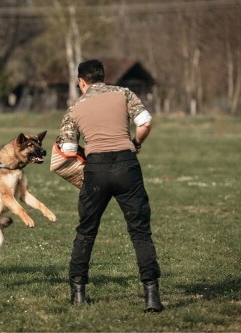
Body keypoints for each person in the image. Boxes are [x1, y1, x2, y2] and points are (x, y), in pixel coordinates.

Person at [58, 59, 163, 312]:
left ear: (81, 82)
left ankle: (79, 293)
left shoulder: (75, 107)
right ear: (103, 78)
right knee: (140, 232)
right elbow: (145, 122)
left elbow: (69, 149)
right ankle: (151, 297)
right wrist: (136, 144)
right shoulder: (124, 93)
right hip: (128, 166)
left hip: (96, 170)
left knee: (86, 231)